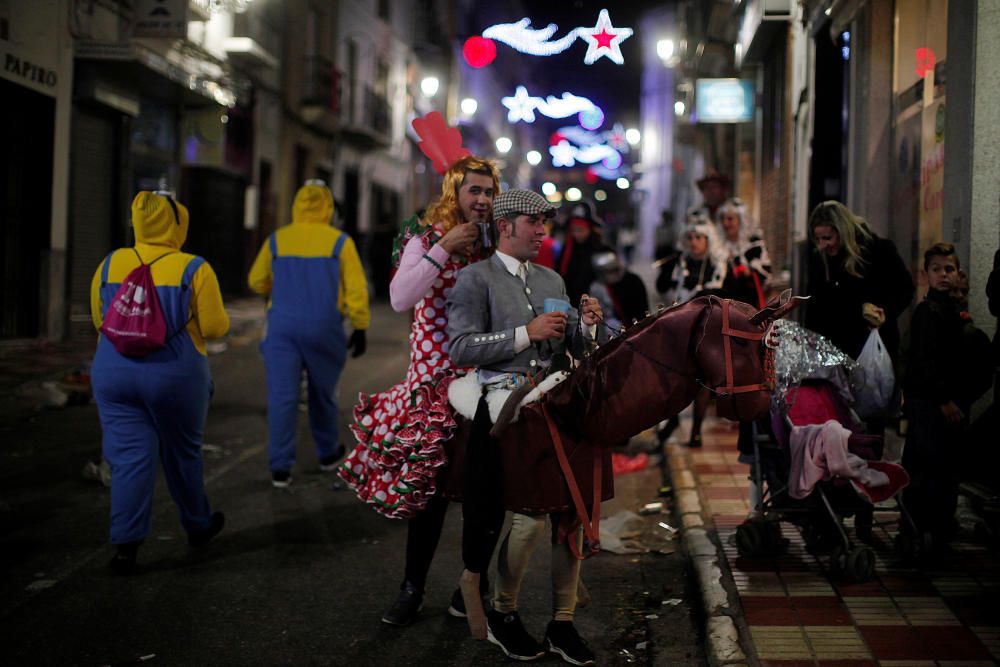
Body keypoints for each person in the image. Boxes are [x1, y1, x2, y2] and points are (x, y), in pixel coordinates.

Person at [337, 155, 500, 627]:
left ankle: (472, 585)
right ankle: (412, 588)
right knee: (427, 499)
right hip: (432, 389)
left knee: (483, 494)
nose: (483, 200)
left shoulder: (493, 247)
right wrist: (445, 247)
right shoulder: (424, 238)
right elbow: (400, 297)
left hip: (482, 383)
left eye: (489, 192)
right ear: (454, 193)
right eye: (475, 191)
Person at [447, 188, 604, 665]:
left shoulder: (552, 276)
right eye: (534, 223)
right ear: (506, 225)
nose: (542, 232)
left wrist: (589, 326)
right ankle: (504, 614)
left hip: (556, 404)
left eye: (545, 224)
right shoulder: (475, 279)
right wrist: (523, 334)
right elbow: (459, 348)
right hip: (504, 410)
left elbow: (567, 346)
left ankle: (562, 623)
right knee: (529, 519)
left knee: (571, 516)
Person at [90, 191, 230, 574]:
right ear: (176, 223)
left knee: (129, 459)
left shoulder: (109, 264)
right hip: (175, 375)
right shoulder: (192, 268)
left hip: (113, 371)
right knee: (182, 453)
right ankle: (198, 526)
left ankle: (126, 547)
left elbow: (99, 319)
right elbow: (217, 328)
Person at [248, 181, 370, 488]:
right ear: (327, 207)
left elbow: (256, 280)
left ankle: (280, 468)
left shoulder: (277, 240)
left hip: (282, 329)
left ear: (297, 205)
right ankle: (328, 453)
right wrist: (360, 325)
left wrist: (276, 291)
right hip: (324, 327)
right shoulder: (339, 243)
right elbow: (356, 289)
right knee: (323, 394)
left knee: (282, 397)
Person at [901, 243, 993, 549]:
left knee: (944, 470)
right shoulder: (927, 312)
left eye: (949, 269)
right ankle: (920, 529)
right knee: (927, 469)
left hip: (947, 404)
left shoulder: (953, 312)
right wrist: (945, 399)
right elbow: (923, 362)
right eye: (937, 269)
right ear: (926, 274)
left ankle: (937, 528)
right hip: (929, 406)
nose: (943, 275)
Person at [804, 201, 914, 364]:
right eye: (818, 239)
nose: (823, 245)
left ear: (843, 230)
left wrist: (885, 311)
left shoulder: (878, 251)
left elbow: (905, 288)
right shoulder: (821, 261)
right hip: (835, 357)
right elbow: (814, 309)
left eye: (828, 238)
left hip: (873, 348)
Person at [655, 218, 728, 447]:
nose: (694, 242)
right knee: (675, 375)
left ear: (708, 240)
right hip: (682, 324)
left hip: (707, 327)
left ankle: (696, 432)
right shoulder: (682, 261)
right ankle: (673, 420)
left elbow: (723, 292)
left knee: (703, 379)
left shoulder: (718, 263)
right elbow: (666, 288)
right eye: (691, 238)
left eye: (699, 238)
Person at [718, 198, 771, 309]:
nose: (725, 223)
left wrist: (748, 272)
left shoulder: (754, 245)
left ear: (742, 220)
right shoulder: (718, 247)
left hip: (746, 305)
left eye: (730, 219)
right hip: (721, 305)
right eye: (723, 219)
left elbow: (765, 276)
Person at [556, 201, 610, 306]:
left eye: (580, 230)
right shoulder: (567, 248)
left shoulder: (601, 249)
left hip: (594, 305)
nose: (576, 234)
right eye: (573, 230)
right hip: (571, 304)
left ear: (590, 229)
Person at [590, 249, 649, 332]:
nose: (613, 275)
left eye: (614, 270)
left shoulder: (633, 281)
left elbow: (642, 311)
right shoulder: (597, 287)